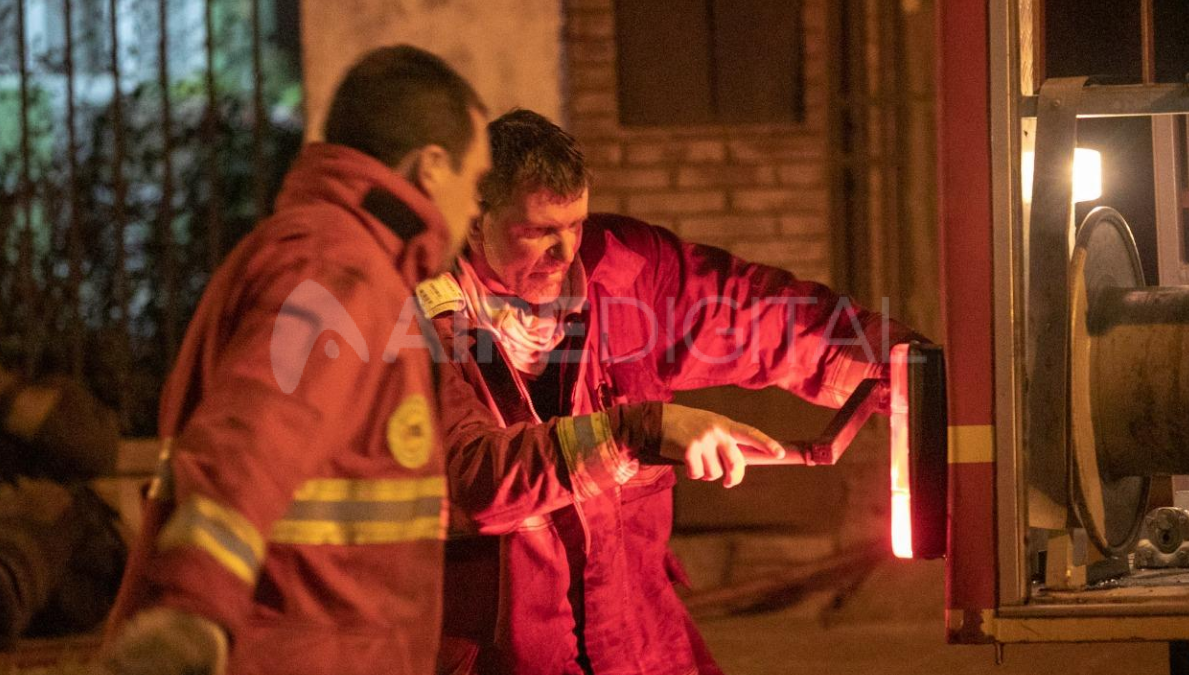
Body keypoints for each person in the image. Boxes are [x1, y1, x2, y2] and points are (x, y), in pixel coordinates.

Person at [423, 109, 919, 675]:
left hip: (637, 645)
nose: (564, 255)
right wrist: (640, 430)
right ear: (473, 219)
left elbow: (759, 315)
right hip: (505, 658)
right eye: (537, 233)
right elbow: (475, 479)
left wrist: (903, 363)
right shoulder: (422, 318)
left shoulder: (627, 273)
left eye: (575, 226)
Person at [98, 45, 493, 675]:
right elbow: (255, 434)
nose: (477, 209)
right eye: (477, 184)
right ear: (432, 167)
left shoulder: (339, 260)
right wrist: (192, 613)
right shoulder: (339, 270)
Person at [0, 365, 125, 647]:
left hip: (72, 580)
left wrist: (8, 397)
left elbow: (96, 451)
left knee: (53, 503)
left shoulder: (48, 395)